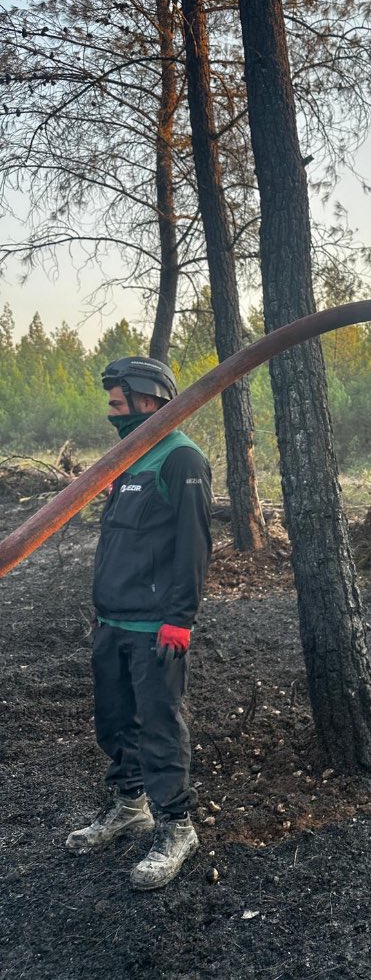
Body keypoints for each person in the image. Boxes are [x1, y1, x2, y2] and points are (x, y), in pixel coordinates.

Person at [66, 356, 213, 891]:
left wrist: (180, 620)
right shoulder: (125, 460)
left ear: (148, 399)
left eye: (117, 401)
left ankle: (176, 825)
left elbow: (194, 549)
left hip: (156, 626)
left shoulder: (182, 460)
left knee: (159, 723)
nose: (111, 412)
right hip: (111, 620)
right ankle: (130, 807)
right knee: (114, 720)